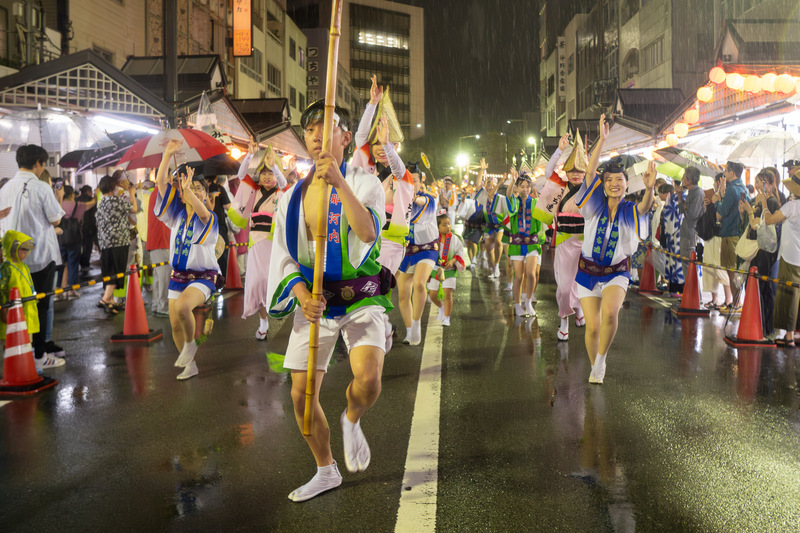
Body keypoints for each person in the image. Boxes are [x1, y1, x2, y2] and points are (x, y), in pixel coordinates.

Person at [266, 100, 391, 502]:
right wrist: (301, 293)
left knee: (368, 379)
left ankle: (351, 417)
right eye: (312, 130)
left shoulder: (365, 181)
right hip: (315, 302)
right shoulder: (291, 197)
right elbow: (283, 254)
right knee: (301, 398)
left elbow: (368, 232)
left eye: (328, 128)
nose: (319, 136)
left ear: (345, 136)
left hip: (359, 297)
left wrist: (339, 182)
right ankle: (326, 469)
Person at [575, 115, 655, 384]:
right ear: (603, 184)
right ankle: (596, 363)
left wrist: (650, 187)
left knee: (610, 314)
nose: (614, 183)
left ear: (626, 184)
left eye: (619, 179)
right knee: (592, 326)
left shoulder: (629, 209)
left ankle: (602, 359)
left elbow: (644, 208)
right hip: (587, 272)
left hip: (616, 272)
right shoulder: (593, 204)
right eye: (608, 179)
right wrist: (603, 140)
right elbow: (589, 173)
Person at [155, 139, 222, 380]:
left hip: (204, 277)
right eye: (189, 189)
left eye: (199, 189)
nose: (194, 192)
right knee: (174, 325)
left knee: (183, 307)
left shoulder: (209, 218)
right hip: (178, 277)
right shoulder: (176, 214)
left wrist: (188, 191)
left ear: (205, 194)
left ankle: (190, 347)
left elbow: (202, 212)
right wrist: (167, 154)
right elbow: (161, 183)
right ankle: (190, 364)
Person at [0, 144, 65, 369]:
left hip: (12, 261)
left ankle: (18, 354)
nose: (42, 168)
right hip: (40, 258)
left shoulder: (5, 188)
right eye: (43, 163)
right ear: (38, 163)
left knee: (14, 307)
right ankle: (39, 356)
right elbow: (56, 219)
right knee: (40, 306)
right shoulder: (40, 187)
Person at [227, 143, 287, 340]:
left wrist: (276, 167)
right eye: (264, 173)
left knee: (273, 284)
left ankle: (277, 314)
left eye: (271, 173)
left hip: (274, 247)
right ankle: (263, 322)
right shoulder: (253, 191)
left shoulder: (281, 193)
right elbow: (241, 175)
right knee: (255, 285)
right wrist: (249, 155)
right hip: (255, 246)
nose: (267, 176)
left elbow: (285, 185)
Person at [537, 133, 587, 341]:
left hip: (586, 243)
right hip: (565, 242)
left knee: (583, 284)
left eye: (580, 170)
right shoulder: (561, 186)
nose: (576, 174)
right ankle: (564, 321)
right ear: (567, 171)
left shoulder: (591, 189)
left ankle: (581, 310)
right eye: (572, 170)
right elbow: (548, 171)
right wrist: (559, 150)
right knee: (565, 287)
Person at [397, 164, 437, 345]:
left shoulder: (428, 199)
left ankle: (416, 324)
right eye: (409, 180)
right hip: (406, 251)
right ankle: (409, 331)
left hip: (427, 249)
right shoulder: (398, 201)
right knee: (403, 294)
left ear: (421, 183)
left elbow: (419, 203)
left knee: (420, 283)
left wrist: (412, 198)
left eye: (415, 180)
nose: (412, 183)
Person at [739, 169, 782, 337]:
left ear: (771, 185)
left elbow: (758, 226)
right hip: (759, 249)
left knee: (764, 288)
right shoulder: (760, 200)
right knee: (758, 287)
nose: (758, 185)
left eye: (762, 182)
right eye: (757, 181)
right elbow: (752, 225)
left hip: (766, 251)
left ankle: (766, 327)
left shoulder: (770, 202)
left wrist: (751, 211)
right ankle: (760, 325)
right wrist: (747, 211)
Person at [95, 174, 137, 315]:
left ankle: (111, 301)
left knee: (108, 271)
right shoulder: (116, 201)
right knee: (117, 271)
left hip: (105, 243)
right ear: (113, 187)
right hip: (119, 241)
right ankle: (106, 299)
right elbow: (134, 209)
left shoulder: (101, 203)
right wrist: (132, 194)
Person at [0, 231, 41, 360]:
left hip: (28, 311)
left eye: (27, 250)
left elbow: (30, 286)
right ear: (12, 248)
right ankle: (13, 366)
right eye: (22, 249)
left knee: (27, 341)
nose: (26, 252)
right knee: (12, 341)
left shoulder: (24, 267)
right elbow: (1, 290)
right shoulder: (6, 268)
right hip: (12, 314)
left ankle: (29, 364)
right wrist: (4, 309)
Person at [505, 174, 542, 316]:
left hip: (532, 242)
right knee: (519, 276)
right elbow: (508, 194)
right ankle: (517, 305)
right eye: (522, 186)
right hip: (516, 242)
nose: (525, 189)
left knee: (531, 274)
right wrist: (512, 182)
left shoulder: (536, 202)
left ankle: (528, 301)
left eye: (527, 186)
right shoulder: (513, 201)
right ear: (517, 187)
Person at [713, 161, 748, 310]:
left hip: (730, 234)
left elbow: (720, 214)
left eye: (726, 171)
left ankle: (735, 303)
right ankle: (736, 302)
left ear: (732, 173)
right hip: (739, 235)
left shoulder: (732, 189)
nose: (725, 173)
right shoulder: (743, 188)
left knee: (731, 271)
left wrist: (716, 201)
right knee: (735, 270)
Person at [427, 213, 465, 326]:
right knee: (432, 294)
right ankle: (441, 307)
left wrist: (453, 261)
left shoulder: (455, 239)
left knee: (447, 293)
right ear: (437, 227)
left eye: (449, 224)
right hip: (435, 270)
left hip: (450, 270)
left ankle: (447, 318)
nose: (448, 226)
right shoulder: (433, 238)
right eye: (444, 224)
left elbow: (459, 253)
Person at [146, 178, 172, 318]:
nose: (172, 180)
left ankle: (157, 304)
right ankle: (162, 306)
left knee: (158, 276)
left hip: (156, 242)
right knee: (164, 276)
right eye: (169, 177)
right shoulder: (160, 193)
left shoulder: (156, 193)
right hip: (161, 241)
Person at [679, 167, 704, 278]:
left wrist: (685, 208)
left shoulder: (698, 193)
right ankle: (688, 293)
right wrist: (680, 197)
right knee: (685, 264)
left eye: (684, 177)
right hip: (686, 231)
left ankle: (694, 294)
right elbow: (682, 210)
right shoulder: (690, 192)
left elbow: (692, 215)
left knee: (690, 265)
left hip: (691, 233)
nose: (682, 179)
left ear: (690, 180)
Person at [661, 180, 684, 296]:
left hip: (675, 235)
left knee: (676, 263)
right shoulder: (683, 197)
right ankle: (676, 288)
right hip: (680, 235)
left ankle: (676, 289)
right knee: (677, 263)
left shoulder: (674, 199)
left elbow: (669, 217)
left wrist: (665, 209)